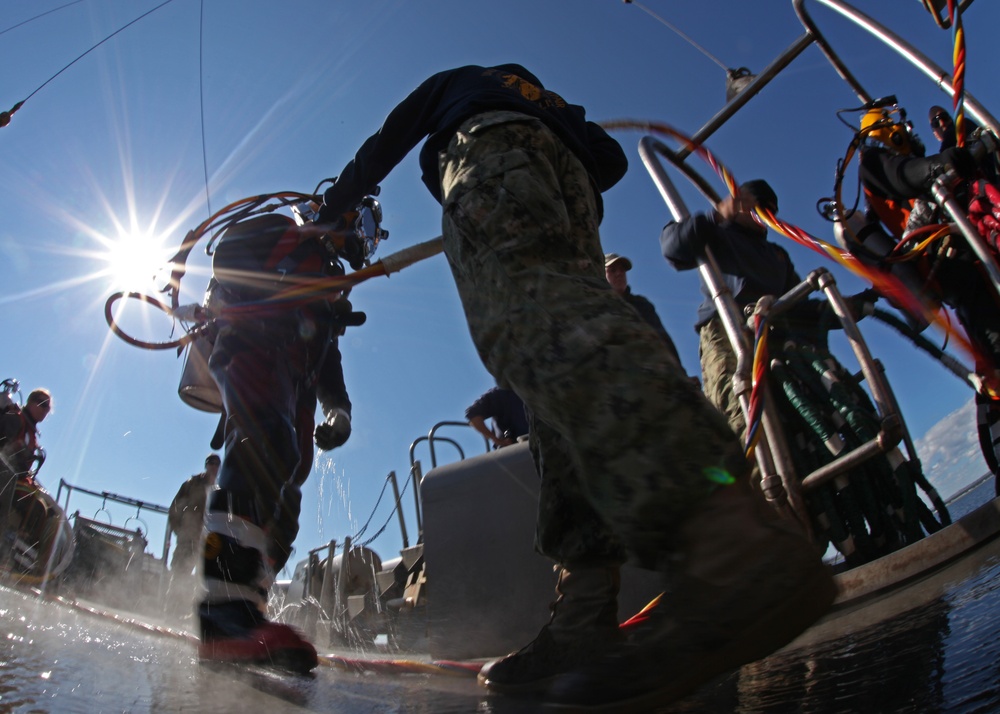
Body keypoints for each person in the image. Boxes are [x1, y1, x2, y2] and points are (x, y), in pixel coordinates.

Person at [313, 63, 834, 708]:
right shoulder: (551, 104)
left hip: (491, 159)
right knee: (557, 385)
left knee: (538, 326)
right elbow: (610, 160)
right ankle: (585, 614)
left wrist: (335, 204)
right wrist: (556, 135)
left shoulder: (460, 85)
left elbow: (398, 129)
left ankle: (733, 550)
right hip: (574, 192)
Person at [196, 213, 362, 672]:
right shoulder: (282, 234)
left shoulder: (331, 283)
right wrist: (295, 242)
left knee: (286, 495)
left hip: (295, 388)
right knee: (261, 442)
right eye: (363, 219)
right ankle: (222, 615)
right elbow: (228, 258)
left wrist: (340, 410)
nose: (364, 235)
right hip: (250, 345)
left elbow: (328, 358)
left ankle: (250, 608)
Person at [857, 105, 1000, 494]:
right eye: (897, 123)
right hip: (959, 269)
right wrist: (938, 167)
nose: (907, 127)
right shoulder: (874, 162)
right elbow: (905, 177)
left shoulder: (922, 158)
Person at [660, 180, 800, 440]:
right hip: (726, 331)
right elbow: (673, 248)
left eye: (770, 212)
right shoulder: (716, 232)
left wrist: (857, 304)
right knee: (744, 420)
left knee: (793, 422)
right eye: (757, 208)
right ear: (740, 205)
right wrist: (716, 215)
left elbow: (802, 304)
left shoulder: (777, 255)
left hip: (774, 338)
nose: (764, 217)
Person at [604, 251, 689, 374]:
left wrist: (680, 372)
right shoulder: (595, 304)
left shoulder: (641, 304)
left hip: (648, 371)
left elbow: (662, 338)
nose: (619, 274)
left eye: (622, 270)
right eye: (612, 270)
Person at [0, 389, 51, 540]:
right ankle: (10, 539)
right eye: (43, 404)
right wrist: (16, 449)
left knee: (45, 508)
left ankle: (20, 542)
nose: (45, 410)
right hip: (5, 478)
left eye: (48, 407)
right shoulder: (15, 419)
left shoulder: (31, 434)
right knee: (35, 507)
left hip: (16, 480)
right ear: (30, 402)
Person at [167, 454, 220, 579]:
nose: (214, 466)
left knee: (203, 582)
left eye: (217, 464)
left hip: (207, 542)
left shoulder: (219, 490)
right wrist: (179, 530)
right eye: (211, 463)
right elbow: (174, 508)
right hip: (188, 538)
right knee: (178, 576)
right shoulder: (192, 484)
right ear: (206, 465)